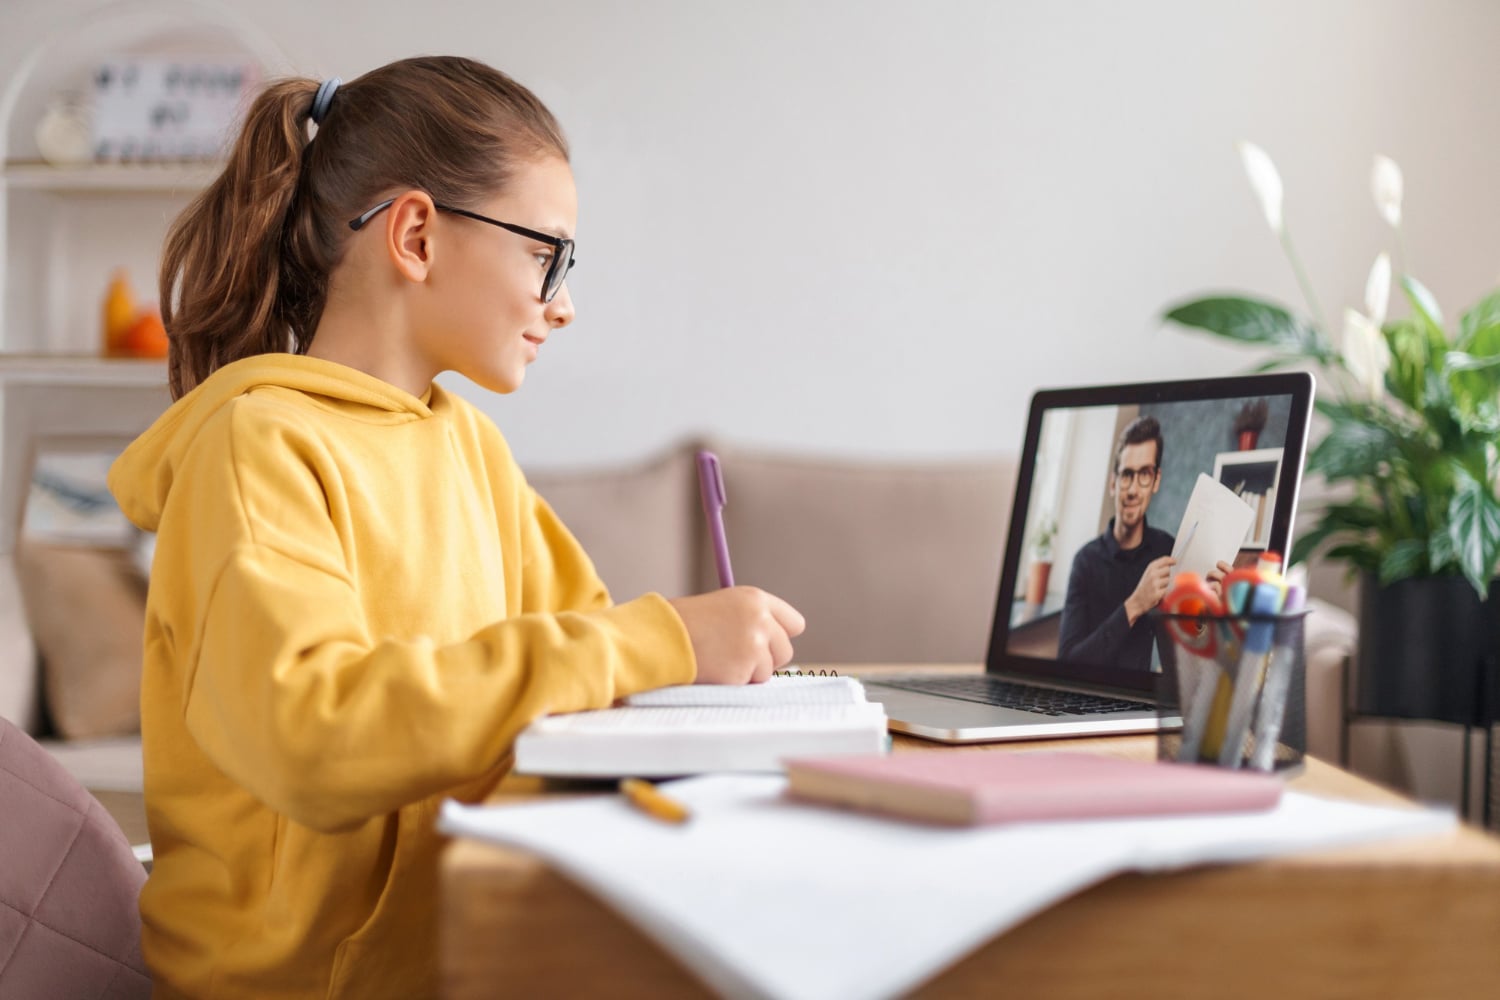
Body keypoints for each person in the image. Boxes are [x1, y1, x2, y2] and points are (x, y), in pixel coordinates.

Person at [106, 57, 805, 999]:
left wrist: (700, 694)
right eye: (543, 252)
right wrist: (662, 638)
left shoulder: (466, 446)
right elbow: (314, 735)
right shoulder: (257, 447)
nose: (563, 303)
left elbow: (586, 687)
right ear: (418, 234)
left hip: (456, 957)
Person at [1057, 415, 1225, 670]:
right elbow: (1067, 664)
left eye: (1144, 474)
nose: (1134, 489)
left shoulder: (1169, 551)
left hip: (1141, 698)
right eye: (1126, 475)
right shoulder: (1085, 561)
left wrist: (1207, 618)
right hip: (1087, 695)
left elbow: (1181, 659)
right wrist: (1135, 604)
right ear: (1113, 483)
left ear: (1156, 481)